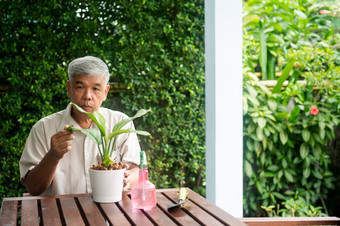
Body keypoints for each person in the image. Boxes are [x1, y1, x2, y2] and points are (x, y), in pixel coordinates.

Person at [19, 56, 141, 196]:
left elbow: (135, 169)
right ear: (69, 89)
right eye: (80, 87)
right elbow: (33, 188)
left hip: (110, 212)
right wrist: (53, 155)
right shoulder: (43, 128)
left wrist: (128, 179)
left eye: (96, 88)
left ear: (105, 92)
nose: (87, 96)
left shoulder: (120, 123)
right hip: (59, 214)